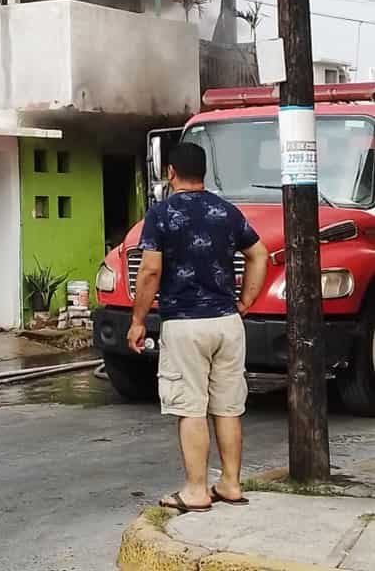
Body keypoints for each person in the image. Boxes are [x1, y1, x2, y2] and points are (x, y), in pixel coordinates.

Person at [127, 142, 269, 513]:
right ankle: (231, 484)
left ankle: (195, 490)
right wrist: (245, 302)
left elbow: (151, 270)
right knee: (227, 406)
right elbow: (259, 254)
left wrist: (138, 320)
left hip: (185, 324)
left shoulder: (161, 214)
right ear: (202, 172)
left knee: (191, 407)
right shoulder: (227, 212)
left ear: (170, 172)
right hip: (227, 323)